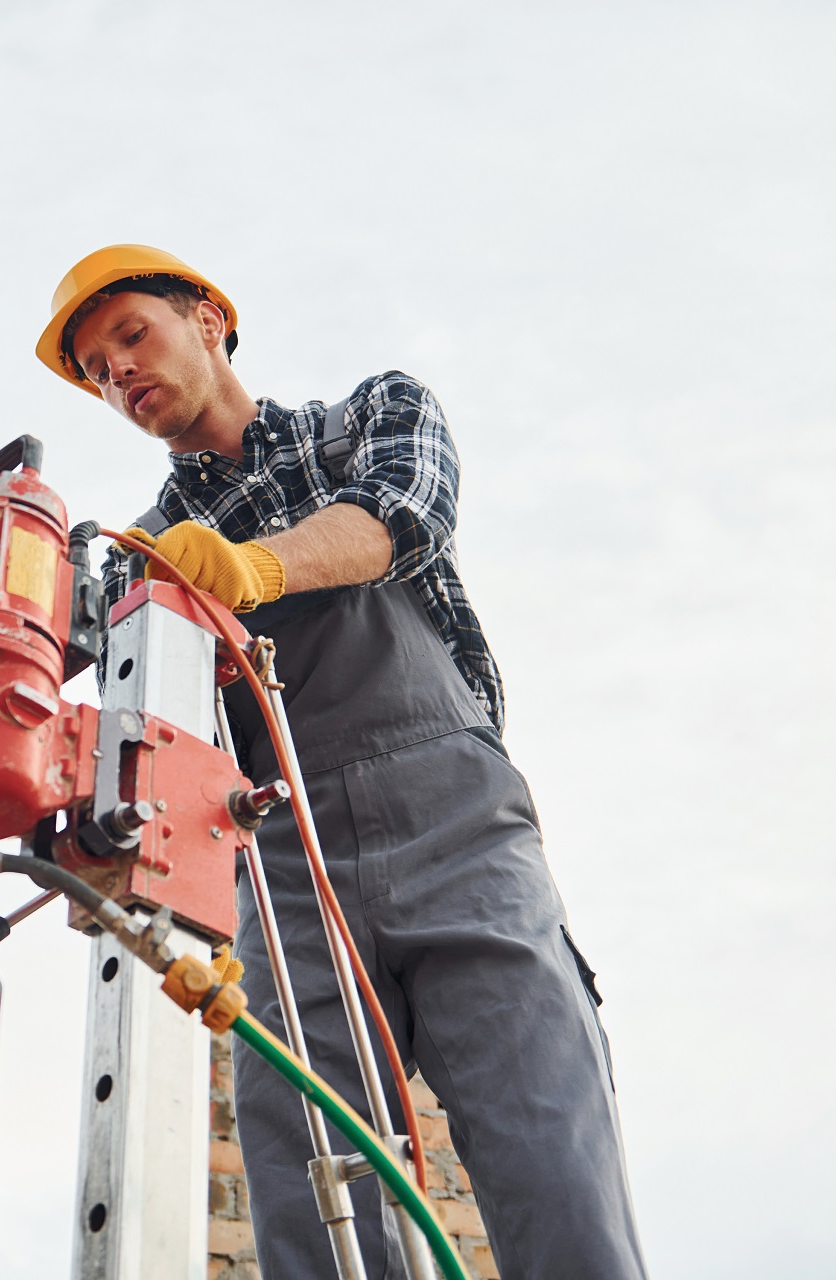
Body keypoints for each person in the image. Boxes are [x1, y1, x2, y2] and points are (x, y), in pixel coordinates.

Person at [35, 245, 649, 1280]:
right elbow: (55, 659)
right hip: (285, 876)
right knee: (313, 1191)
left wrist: (256, 567)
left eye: (132, 335)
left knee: (554, 1160)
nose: (119, 374)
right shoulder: (144, 551)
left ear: (209, 318)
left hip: (457, 824)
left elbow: (406, 511)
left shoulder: (367, 417)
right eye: (98, 370)